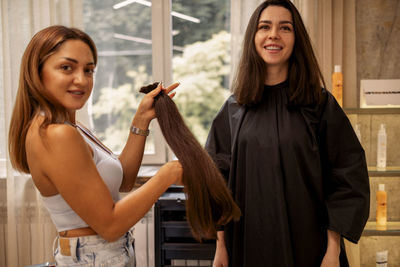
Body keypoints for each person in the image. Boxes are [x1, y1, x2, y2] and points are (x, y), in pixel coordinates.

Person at [205, 1, 370, 266]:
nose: (274, 34)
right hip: (247, 246)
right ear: (253, 37)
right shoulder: (234, 109)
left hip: (311, 249)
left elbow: (347, 176)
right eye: (264, 27)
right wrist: (221, 246)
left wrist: (332, 250)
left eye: (285, 27)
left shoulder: (319, 105)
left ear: (296, 39)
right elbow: (216, 182)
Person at [8, 25, 182, 266]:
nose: (81, 80)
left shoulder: (74, 128)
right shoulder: (56, 134)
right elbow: (110, 226)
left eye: (88, 70)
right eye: (66, 67)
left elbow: (124, 181)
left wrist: (141, 119)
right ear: (37, 72)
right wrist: (168, 173)